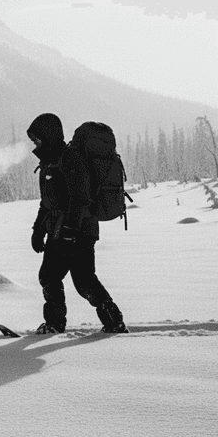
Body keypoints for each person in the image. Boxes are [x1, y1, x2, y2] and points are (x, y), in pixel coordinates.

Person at [27, 113, 128, 334]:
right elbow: (47, 203)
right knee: (73, 279)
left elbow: (81, 198)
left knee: (69, 280)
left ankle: (59, 323)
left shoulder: (70, 158)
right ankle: (111, 321)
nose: (35, 143)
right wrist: (38, 231)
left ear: (49, 135)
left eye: (37, 139)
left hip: (78, 230)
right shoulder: (48, 162)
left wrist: (71, 230)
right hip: (60, 230)